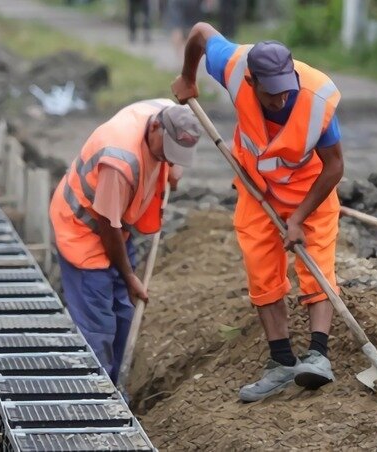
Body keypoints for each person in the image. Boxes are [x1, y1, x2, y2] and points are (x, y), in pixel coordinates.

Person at [171, 22, 344, 402]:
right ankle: (281, 361)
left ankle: (318, 356)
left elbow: (334, 167)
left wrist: (298, 218)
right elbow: (200, 32)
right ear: (252, 82)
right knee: (261, 269)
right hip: (257, 188)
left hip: (310, 191)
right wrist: (188, 77)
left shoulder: (317, 100)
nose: (280, 101)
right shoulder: (234, 65)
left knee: (317, 265)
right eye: (271, 95)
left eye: (286, 92)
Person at [49, 99, 201, 383]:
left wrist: (173, 166)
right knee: (98, 326)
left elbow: (181, 108)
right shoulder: (118, 162)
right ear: (155, 127)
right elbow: (109, 226)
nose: (167, 158)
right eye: (167, 151)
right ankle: (95, 392)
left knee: (124, 313)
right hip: (83, 230)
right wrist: (129, 276)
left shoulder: (166, 112)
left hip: (117, 225)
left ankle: (116, 384)